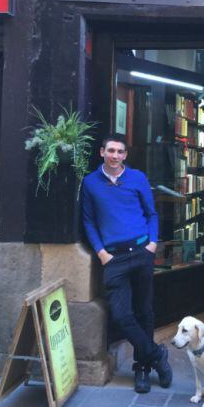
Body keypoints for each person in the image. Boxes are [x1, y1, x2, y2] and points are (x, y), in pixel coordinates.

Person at [81, 134, 172, 393]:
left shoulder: (137, 178)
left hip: (141, 251)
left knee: (144, 311)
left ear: (125, 155)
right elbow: (88, 220)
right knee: (121, 314)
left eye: (120, 152)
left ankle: (141, 368)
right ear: (102, 152)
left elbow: (151, 213)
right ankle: (157, 356)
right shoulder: (90, 183)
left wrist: (152, 243)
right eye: (110, 150)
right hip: (113, 258)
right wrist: (101, 252)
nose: (115, 156)